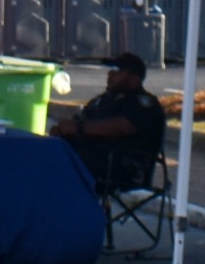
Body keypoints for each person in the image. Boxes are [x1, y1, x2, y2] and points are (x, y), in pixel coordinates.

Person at [52, 51, 169, 187]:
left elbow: (122, 127)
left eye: (117, 70)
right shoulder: (102, 100)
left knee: (60, 160)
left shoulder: (143, 103)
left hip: (122, 166)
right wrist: (63, 130)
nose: (110, 74)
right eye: (110, 69)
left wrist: (79, 127)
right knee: (47, 151)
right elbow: (80, 120)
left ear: (134, 78)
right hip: (93, 157)